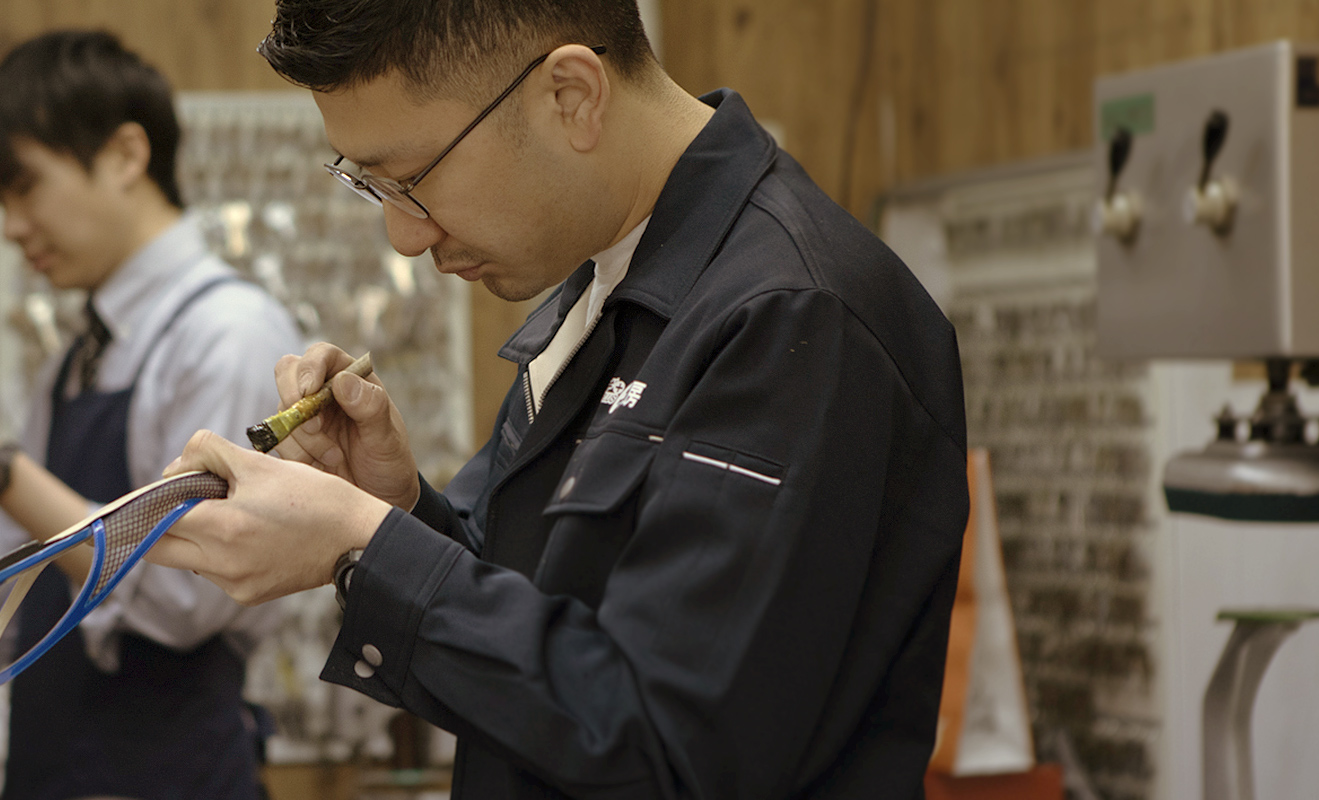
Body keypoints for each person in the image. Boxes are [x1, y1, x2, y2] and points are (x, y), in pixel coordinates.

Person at [145, 1, 971, 798]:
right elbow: (546, 610)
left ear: (570, 96)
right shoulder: (604, 285)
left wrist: (360, 545)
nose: (403, 235)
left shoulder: (792, 315)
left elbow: (668, 746)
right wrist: (394, 509)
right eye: (371, 186)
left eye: (411, 179)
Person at [0, 30, 301, 800]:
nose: (11, 227)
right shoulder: (73, 363)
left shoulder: (226, 335)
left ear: (123, 156)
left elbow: (192, 597)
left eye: (24, 189)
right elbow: (12, 610)